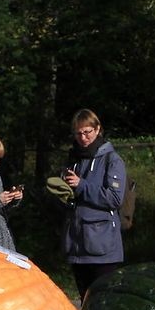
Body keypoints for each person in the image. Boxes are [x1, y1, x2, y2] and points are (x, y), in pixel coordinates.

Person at [59, 109, 126, 298]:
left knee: (103, 302)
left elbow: (114, 198)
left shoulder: (112, 160)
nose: (83, 137)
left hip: (102, 247)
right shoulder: (73, 160)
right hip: (76, 244)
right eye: (78, 133)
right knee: (85, 300)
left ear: (98, 129)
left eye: (87, 132)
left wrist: (81, 185)